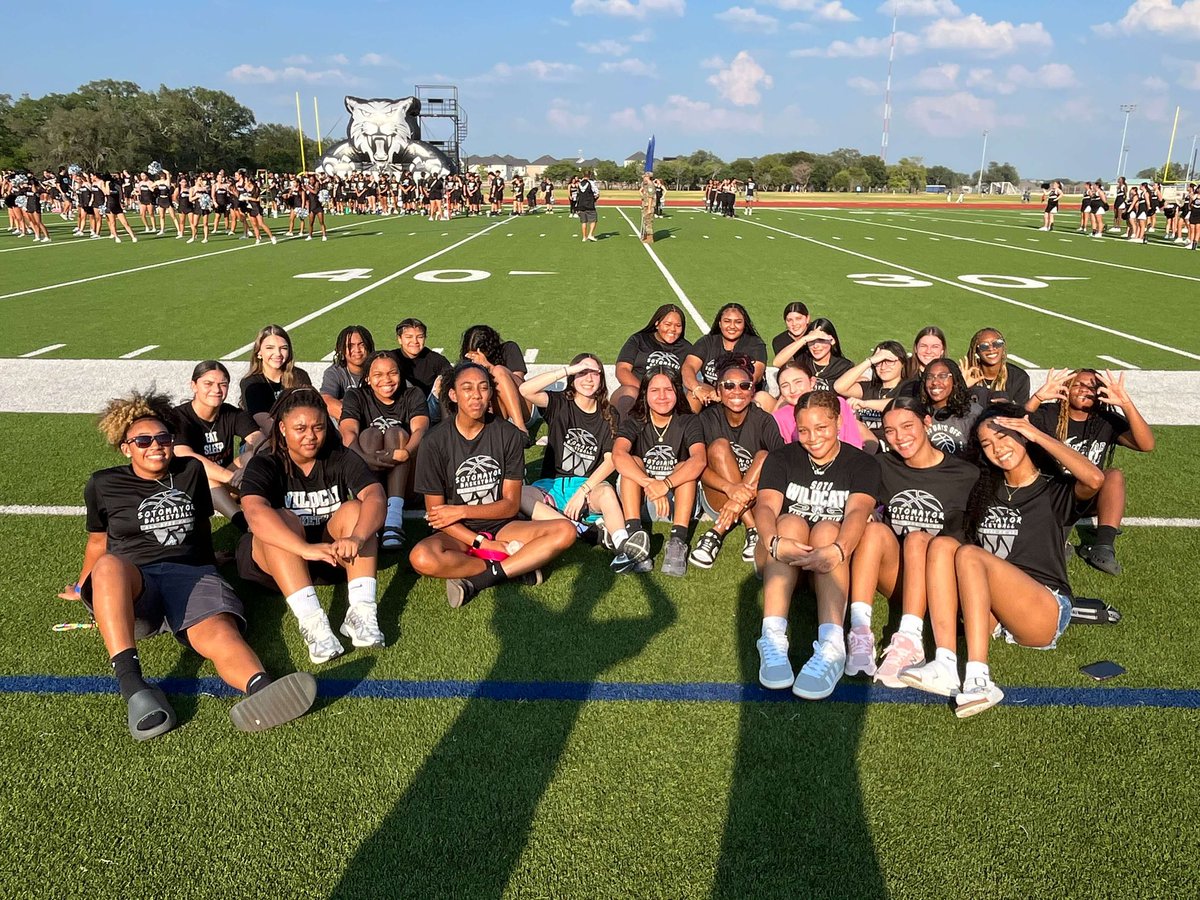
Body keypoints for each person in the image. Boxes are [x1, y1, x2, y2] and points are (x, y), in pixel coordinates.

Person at [70, 391, 316, 741]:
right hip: (135, 584)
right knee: (109, 565)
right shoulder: (103, 483)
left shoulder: (191, 471)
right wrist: (83, 587)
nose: (155, 446)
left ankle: (260, 686)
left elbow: (201, 525)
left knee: (219, 632)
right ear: (126, 447)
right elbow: (97, 541)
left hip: (190, 573)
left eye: (163, 438)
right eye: (143, 440)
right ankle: (134, 686)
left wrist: (210, 560)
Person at [901, 405, 1105, 717]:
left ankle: (979, 677)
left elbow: (1094, 478)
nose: (998, 448)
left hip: (1043, 609)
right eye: (987, 444)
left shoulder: (1053, 489)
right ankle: (944, 662)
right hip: (994, 612)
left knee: (969, 555)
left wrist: (1036, 433)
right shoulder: (985, 488)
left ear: (1023, 437)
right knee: (942, 546)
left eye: (1005, 436)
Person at [409, 362, 577, 607]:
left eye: (483, 387)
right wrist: (481, 542)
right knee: (421, 557)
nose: (476, 395)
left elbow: (510, 505)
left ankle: (481, 579)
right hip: (457, 531)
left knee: (566, 530)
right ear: (453, 395)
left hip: (503, 525)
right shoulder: (434, 442)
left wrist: (463, 510)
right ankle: (514, 565)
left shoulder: (508, 434)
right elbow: (438, 517)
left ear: (490, 393)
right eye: (467, 388)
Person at [238, 388, 387, 663]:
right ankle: (313, 623)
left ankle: (361, 612)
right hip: (278, 563)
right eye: (301, 428)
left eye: (318, 427)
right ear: (282, 428)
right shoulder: (266, 462)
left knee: (356, 508)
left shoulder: (339, 456)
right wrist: (303, 549)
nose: (311, 435)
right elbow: (254, 512)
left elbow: (376, 495)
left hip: (331, 559)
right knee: (283, 518)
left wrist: (357, 537)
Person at [753, 390, 881, 700]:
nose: (812, 438)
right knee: (789, 522)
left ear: (838, 422)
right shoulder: (782, 457)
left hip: (831, 561)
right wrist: (773, 543)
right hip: (782, 558)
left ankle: (832, 643)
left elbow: (857, 513)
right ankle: (771, 636)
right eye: (804, 430)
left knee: (826, 529)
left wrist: (837, 550)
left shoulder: (862, 463)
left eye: (821, 428)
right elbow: (766, 507)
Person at [848, 398, 980, 686]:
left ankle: (910, 640)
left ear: (927, 423)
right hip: (900, 577)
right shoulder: (882, 465)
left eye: (907, 426)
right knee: (872, 531)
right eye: (890, 430)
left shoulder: (966, 474)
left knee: (919, 540)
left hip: (943, 582)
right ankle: (860, 633)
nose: (899, 437)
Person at [1026, 368, 1154, 575]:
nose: (1084, 390)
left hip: (1088, 493)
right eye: (1077, 384)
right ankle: (1056, 541)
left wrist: (1126, 404)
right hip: (1051, 493)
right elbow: (1015, 426)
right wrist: (1038, 397)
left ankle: (1103, 547)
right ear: (1066, 389)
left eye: (1092, 387)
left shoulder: (1105, 419)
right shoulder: (1049, 413)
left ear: (1101, 393)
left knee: (1114, 476)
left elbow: (1146, 444)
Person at [519, 354, 632, 561]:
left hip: (588, 488)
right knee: (521, 494)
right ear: (572, 377)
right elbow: (525, 390)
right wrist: (567, 370)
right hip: (552, 487)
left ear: (602, 379)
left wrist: (583, 491)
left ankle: (624, 546)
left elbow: (611, 460)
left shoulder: (609, 413)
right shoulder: (560, 403)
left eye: (594, 373)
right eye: (582, 372)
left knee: (607, 493)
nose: (588, 379)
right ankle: (583, 530)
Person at [690, 356, 784, 569]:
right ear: (719, 391)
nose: (737, 391)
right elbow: (697, 466)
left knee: (765, 456)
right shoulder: (706, 418)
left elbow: (780, 460)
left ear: (752, 391)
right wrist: (731, 489)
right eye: (729, 386)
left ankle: (717, 532)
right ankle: (753, 529)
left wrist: (741, 496)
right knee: (719, 447)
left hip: (753, 497)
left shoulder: (764, 420)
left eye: (744, 385)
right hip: (719, 496)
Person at [611, 366, 706, 576]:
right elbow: (618, 455)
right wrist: (649, 483)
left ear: (677, 392)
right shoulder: (635, 419)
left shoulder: (688, 420)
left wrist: (665, 484)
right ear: (645, 393)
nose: (662, 396)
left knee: (685, 466)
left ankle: (677, 542)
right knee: (632, 461)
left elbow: (699, 460)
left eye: (668, 389)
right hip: (643, 499)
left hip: (678, 502)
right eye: (655, 390)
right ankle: (635, 537)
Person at [338, 351, 430, 551]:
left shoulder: (413, 394)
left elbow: (421, 429)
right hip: (369, 477)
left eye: (392, 373)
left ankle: (394, 518)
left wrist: (406, 452)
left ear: (400, 374)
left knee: (396, 433)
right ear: (368, 378)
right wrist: (364, 458)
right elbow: (348, 433)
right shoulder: (355, 395)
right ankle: (375, 509)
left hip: (406, 479)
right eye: (378, 375)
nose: (386, 380)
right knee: (368, 435)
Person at [171, 361, 261, 522]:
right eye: (208, 383)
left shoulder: (232, 413)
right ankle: (244, 523)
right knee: (205, 477)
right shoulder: (179, 417)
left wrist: (248, 464)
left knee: (249, 456)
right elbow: (185, 456)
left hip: (228, 483)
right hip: (188, 487)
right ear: (194, 385)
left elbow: (261, 441)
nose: (217, 390)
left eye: (223, 384)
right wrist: (234, 478)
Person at [681, 303, 768, 413]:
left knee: (761, 397)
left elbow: (756, 375)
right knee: (693, 394)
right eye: (727, 321)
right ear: (720, 324)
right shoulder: (707, 342)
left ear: (744, 325)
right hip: (712, 394)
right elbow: (688, 367)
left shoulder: (755, 344)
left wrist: (725, 391)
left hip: (741, 394)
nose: (732, 326)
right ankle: (688, 428)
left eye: (738, 322)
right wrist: (696, 388)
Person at [612, 304, 692, 418]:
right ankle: (623, 432)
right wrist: (646, 393)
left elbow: (691, 375)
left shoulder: (686, 348)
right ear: (657, 323)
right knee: (629, 393)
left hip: (668, 399)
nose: (673, 329)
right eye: (667, 324)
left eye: (678, 325)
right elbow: (622, 370)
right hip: (637, 392)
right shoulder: (638, 340)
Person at [770, 359, 868, 450]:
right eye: (785, 386)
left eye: (798, 382)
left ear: (812, 381)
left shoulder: (837, 403)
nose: (793, 390)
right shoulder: (779, 417)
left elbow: (854, 442)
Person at [459, 324, 532, 438]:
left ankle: (521, 430)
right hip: (498, 416)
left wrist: (489, 366)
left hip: (523, 408)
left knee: (498, 371)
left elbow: (521, 384)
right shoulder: (467, 363)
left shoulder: (509, 348)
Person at [239, 325, 312, 429]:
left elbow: (311, 409)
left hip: (298, 436)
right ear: (259, 352)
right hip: (263, 439)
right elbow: (264, 423)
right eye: (270, 348)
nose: (278, 353)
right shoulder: (251, 382)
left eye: (283, 348)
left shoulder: (299, 376)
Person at [833, 340, 909, 439]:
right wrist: (869, 361)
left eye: (889, 361)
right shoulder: (869, 387)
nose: (883, 367)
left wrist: (865, 404)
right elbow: (839, 387)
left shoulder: (908, 387)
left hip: (890, 446)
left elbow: (898, 403)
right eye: (879, 362)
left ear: (902, 363)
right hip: (863, 445)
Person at [917, 357, 986, 456]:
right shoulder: (918, 412)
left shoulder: (974, 413)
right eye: (930, 377)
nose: (935, 382)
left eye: (943, 376)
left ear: (954, 379)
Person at [393, 317, 453, 421]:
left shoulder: (436, 360)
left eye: (420, 337)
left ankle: (447, 426)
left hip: (428, 410)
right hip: (398, 408)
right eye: (409, 337)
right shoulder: (391, 358)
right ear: (399, 339)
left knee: (444, 380)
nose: (415, 341)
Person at [961, 327, 1030, 406]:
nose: (991, 348)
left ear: (1003, 347)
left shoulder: (1019, 377)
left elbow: (1022, 413)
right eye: (984, 346)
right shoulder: (966, 375)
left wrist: (1008, 406)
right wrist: (963, 386)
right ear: (976, 352)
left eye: (997, 343)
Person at [320, 326, 374, 420]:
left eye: (361, 345)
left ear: (369, 346)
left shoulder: (380, 368)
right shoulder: (335, 372)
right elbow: (326, 400)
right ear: (342, 350)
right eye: (350, 346)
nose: (357, 350)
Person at [791, 317, 853, 392]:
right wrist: (804, 339)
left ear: (832, 340)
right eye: (811, 340)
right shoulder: (801, 359)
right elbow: (777, 363)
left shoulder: (844, 366)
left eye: (821, 340)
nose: (815, 346)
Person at [769, 301, 811, 369]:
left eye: (798, 319)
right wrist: (803, 340)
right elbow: (781, 364)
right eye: (789, 320)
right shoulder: (779, 341)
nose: (794, 323)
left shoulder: (816, 333)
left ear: (807, 318)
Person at [576, 175, 599, 242]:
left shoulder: (579, 183)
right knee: (593, 220)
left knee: (584, 222)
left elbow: (578, 195)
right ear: (589, 176)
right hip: (589, 205)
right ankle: (590, 234)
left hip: (581, 205)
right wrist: (594, 200)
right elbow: (597, 193)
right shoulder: (591, 183)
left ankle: (584, 237)